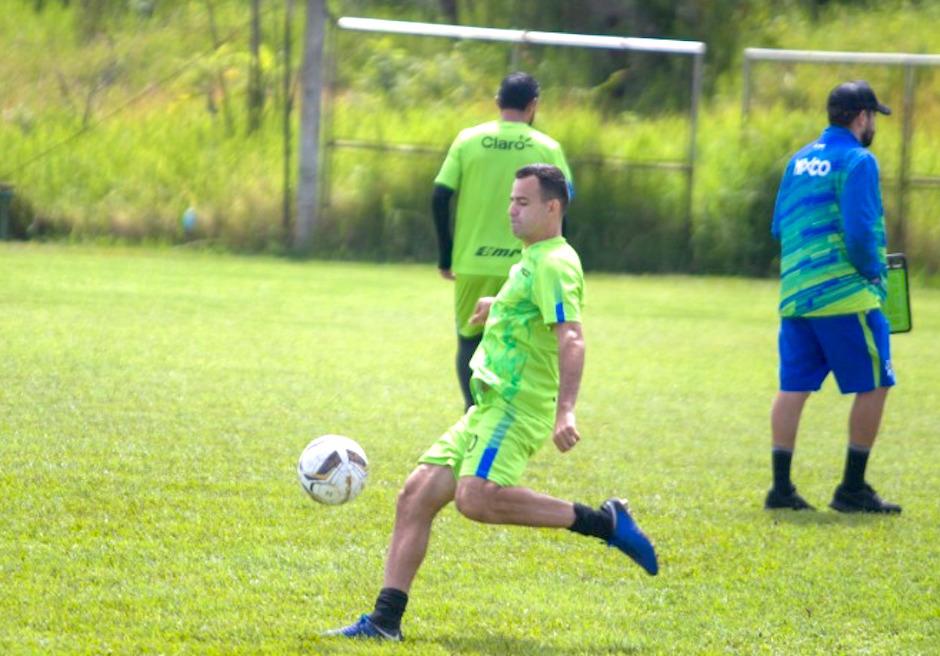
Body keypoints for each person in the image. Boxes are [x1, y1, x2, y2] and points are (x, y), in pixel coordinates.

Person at [326, 164, 657, 642]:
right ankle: (384, 622)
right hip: (488, 404)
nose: (512, 211)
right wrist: (496, 305)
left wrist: (567, 410)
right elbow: (530, 307)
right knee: (415, 496)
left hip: (517, 406)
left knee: (476, 498)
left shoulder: (555, 263)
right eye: (510, 200)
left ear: (552, 207)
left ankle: (603, 522)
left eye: (523, 203)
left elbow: (573, 338)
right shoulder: (532, 257)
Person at [765, 80, 901, 514]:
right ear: (861, 117)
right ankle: (852, 489)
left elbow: (778, 226)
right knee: (878, 382)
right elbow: (861, 231)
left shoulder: (799, 160)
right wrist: (872, 272)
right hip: (845, 296)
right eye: (872, 117)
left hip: (797, 295)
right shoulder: (859, 161)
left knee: (793, 387)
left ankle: (781, 490)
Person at [432, 72, 574, 410]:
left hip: (473, 261)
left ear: (498, 103)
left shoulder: (468, 140)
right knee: (522, 339)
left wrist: (446, 255)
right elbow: (565, 200)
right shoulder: (547, 146)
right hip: (527, 261)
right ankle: (512, 413)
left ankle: (473, 411)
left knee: (470, 339)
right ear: (533, 105)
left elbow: (439, 196)